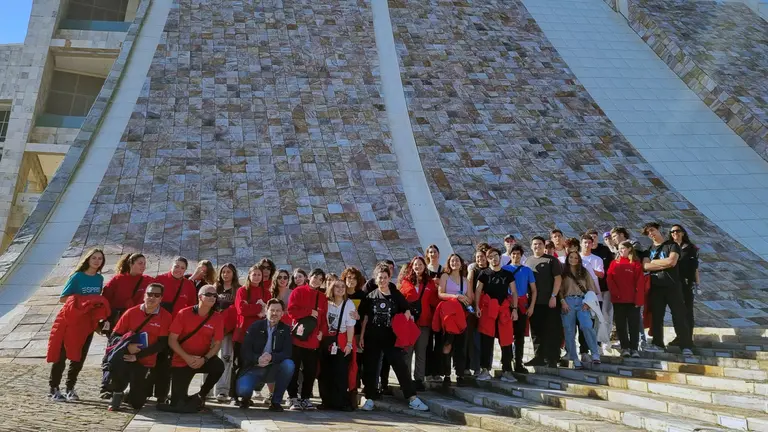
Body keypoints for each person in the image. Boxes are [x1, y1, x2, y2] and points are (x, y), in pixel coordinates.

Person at [359, 264, 428, 412]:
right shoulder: (370, 297)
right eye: (380, 278)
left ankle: (412, 398)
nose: (382, 280)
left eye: (385, 277)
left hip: (392, 338)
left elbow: (407, 309)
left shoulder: (396, 295)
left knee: (400, 367)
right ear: (376, 279)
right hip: (373, 337)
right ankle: (370, 399)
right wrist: (362, 337)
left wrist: (405, 317)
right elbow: (365, 318)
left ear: (389, 278)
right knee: (370, 368)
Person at [47, 248, 107, 402]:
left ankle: (70, 388)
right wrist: (83, 302)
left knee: (79, 357)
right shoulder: (77, 277)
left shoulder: (99, 279)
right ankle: (54, 388)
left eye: (100, 258)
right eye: (94, 258)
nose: (96, 261)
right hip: (69, 321)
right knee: (61, 356)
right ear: (88, 259)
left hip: (86, 324)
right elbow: (63, 298)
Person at [107, 283, 173, 411]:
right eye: (149, 294)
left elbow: (161, 344)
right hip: (126, 355)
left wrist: (137, 356)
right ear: (144, 295)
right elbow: (114, 336)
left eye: (156, 295)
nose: (152, 297)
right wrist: (128, 346)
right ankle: (117, 392)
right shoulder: (131, 312)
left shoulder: (166, 317)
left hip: (145, 359)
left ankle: (128, 395)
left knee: (136, 404)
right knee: (116, 362)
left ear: (161, 298)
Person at [145, 257, 197, 404]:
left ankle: (162, 394)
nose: (178, 269)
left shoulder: (188, 285)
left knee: (167, 363)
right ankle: (146, 390)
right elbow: (148, 300)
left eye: (182, 267)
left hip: (175, 330)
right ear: (171, 266)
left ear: (185, 270)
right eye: (176, 266)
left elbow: (191, 307)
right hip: (158, 326)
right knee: (151, 359)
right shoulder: (160, 279)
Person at [165, 285, 225, 412]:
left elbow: (218, 343)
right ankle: (185, 399)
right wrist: (187, 358)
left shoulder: (217, 317)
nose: (212, 297)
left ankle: (201, 395)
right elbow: (172, 340)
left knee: (219, 366)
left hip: (201, 359)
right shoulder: (183, 313)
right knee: (178, 404)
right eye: (208, 294)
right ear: (200, 297)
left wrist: (205, 359)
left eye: (215, 295)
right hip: (182, 360)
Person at [642, 223, 694, 355]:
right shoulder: (649, 249)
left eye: (652, 230)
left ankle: (686, 345)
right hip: (656, 287)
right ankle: (658, 344)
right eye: (648, 233)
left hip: (672, 286)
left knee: (679, 316)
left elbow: (672, 262)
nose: (651, 234)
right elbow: (645, 266)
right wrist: (661, 264)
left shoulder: (672, 245)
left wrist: (654, 263)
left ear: (659, 230)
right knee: (657, 317)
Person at [236, 298, 294, 412]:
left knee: (289, 364)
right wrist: (257, 359)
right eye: (272, 310)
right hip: (254, 366)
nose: (274, 313)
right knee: (243, 389)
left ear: (282, 313)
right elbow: (245, 350)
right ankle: (246, 397)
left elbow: (287, 352)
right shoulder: (255, 326)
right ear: (266, 310)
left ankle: (276, 402)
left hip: (273, 366)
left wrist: (272, 357)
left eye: (278, 311)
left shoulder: (285, 329)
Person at [286, 268, 328, 411]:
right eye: (315, 277)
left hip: (313, 340)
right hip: (297, 338)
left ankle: (305, 398)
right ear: (309, 277)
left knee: (310, 371)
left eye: (320, 279)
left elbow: (323, 319)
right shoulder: (298, 292)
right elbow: (291, 311)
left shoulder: (322, 297)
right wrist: (309, 312)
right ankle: (292, 397)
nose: (316, 280)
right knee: (294, 369)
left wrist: (322, 332)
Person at [474, 247, 518, 382]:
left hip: (504, 310)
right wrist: (476, 306)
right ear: (488, 259)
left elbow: (514, 292)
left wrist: (515, 309)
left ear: (500, 257)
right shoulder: (484, 274)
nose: (494, 258)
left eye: (496, 256)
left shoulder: (507, 274)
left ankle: (507, 370)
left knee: (506, 341)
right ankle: (485, 369)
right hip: (488, 310)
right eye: (491, 257)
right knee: (486, 340)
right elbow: (477, 291)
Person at [400, 256, 439, 390]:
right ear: (412, 266)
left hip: (424, 322)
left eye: (420, 264)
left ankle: (419, 379)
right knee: (408, 352)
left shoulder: (429, 283)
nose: (418, 267)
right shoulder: (405, 282)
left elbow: (434, 301)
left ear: (424, 266)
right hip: (409, 323)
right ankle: (406, 379)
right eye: (415, 265)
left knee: (421, 351)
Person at [233, 264, 272, 404]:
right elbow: (241, 309)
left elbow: (269, 311)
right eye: (254, 274)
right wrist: (259, 307)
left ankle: (246, 396)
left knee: (253, 365)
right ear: (249, 275)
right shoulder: (242, 291)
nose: (256, 277)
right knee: (240, 364)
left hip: (259, 335)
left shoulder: (266, 292)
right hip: (243, 334)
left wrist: (260, 309)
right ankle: (235, 395)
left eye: (259, 275)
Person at [319, 280, 357, 410]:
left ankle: (341, 402)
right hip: (327, 339)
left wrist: (349, 344)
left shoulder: (349, 304)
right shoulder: (326, 302)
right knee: (325, 372)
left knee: (340, 372)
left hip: (341, 338)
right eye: (337, 286)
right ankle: (326, 401)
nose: (340, 289)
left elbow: (350, 326)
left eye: (343, 287)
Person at [525, 236, 563, 368]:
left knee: (552, 330)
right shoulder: (528, 261)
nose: (537, 246)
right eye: (535, 244)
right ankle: (539, 357)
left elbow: (558, 279)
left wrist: (554, 296)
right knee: (536, 331)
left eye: (540, 244)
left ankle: (553, 358)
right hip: (534, 302)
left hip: (550, 301)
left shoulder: (552, 260)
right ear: (531, 246)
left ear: (544, 246)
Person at [559, 252, 601, 368]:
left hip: (582, 301)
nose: (573, 259)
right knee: (569, 330)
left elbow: (591, 288)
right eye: (571, 257)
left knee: (587, 326)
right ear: (567, 258)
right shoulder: (563, 272)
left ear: (579, 259)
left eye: (576, 257)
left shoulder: (584, 271)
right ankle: (574, 357)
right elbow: (559, 290)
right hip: (568, 301)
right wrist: (563, 302)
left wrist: (588, 303)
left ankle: (595, 354)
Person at [501, 245, 537, 373]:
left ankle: (518, 362)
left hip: (522, 305)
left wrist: (531, 306)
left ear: (521, 255)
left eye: (518, 254)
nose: (516, 256)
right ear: (510, 255)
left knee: (519, 336)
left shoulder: (527, 270)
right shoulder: (504, 269)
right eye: (513, 254)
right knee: (506, 335)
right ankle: (506, 362)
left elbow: (533, 290)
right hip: (507, 305)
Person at [437, 253, 471, 386]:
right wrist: (456, 297)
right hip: (448, 316)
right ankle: (446, 374)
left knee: (461, 345)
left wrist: (466, 299)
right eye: (452, 260)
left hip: (461, 316)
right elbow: (440, 293)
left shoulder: (465, 280)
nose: (455, 263)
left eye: (457, 260)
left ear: (461, 263)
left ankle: (460, 374)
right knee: (447, 344)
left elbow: (470, 298)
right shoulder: (445, 276)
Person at [607, 241, 645, 358]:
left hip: (632, 301)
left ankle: (634, 348)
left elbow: (640, 282)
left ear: (629, 249)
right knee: (621, 325)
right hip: (618, 301)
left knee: (634, 325)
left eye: (623, 248)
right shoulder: (614, 263)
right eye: (619, 248)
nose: (621, 250)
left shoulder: (636, 264)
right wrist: (615, 293)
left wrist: (639, 300)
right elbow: (610, 279)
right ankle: (625, 348)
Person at [101, 253, 154, 333]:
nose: (143, 266)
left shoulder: (148, 280)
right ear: (131, 264)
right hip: (117, 321)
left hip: (137, 322)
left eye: (144, 263)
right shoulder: (118, 279)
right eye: (140, 263)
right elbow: (106, 298)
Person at [214, 263, 241, 403]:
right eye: (223, 272)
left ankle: (222, 390)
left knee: (226, 358)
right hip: (213, 329)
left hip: (229, 330)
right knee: (210, 357)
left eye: (228, 272)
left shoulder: (238, 290)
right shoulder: (215, 288)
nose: (225, 274)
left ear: (233, 273)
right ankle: (206, 390)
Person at [669, 224, 699, 345]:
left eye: (677, 231)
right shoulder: (669, 247)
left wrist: (697, 283)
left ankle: (688, 337)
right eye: (672, 232)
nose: (675, 233)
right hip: (673, 283)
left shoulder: (691, 248)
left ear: (682, 233)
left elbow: (696, 267)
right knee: (676, 311)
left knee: (687, 310)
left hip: (686, 283)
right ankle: (679, 336)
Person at [465, 245, 489, 375]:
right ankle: (472, 366)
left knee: (484, 339)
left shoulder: (490, 270)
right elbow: (469, 284)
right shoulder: (473, 270)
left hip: (488, 308)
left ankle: (483, 366)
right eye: (478, 257)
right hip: (474, 308)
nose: (480, 259)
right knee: (473, 338)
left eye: (482, 257)